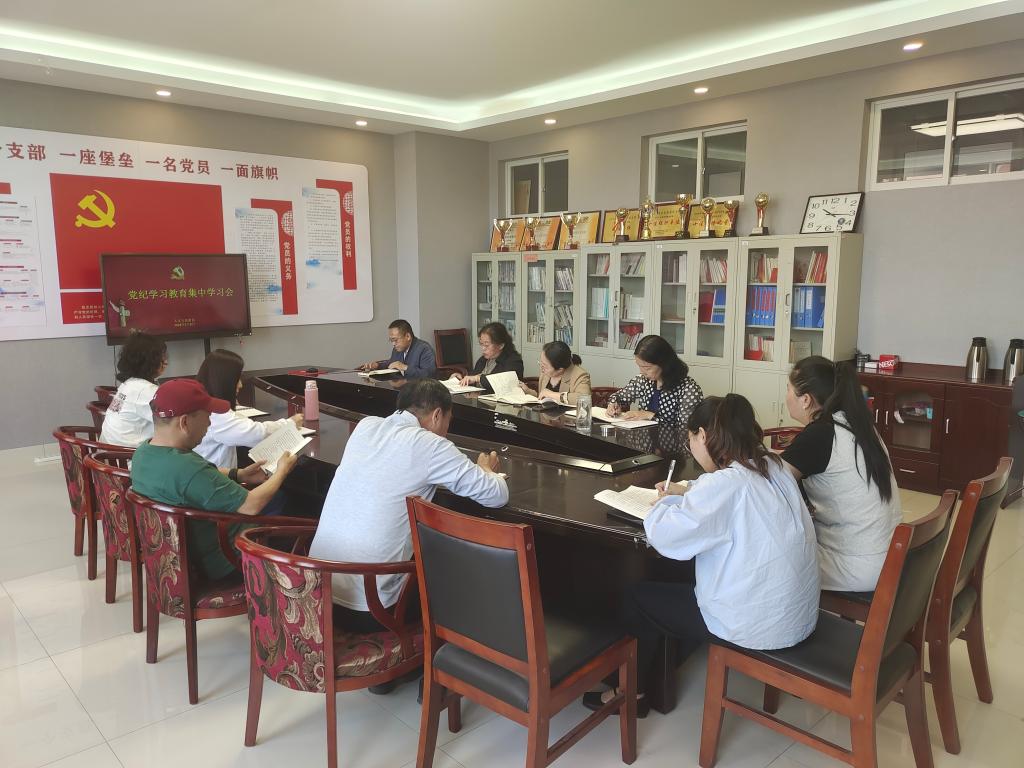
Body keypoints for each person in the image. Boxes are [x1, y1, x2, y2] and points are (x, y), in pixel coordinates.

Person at [584, 394, 819, 716]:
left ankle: (629, 692)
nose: (692, 447)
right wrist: (688, 493)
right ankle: (664, 666)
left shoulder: (725, 484)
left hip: (756, 623)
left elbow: (667, 537)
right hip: (797, 614)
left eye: (691, 439)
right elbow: (727, 501)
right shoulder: (773, 465)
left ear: (704, 436)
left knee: (638, 597)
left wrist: (661, 505)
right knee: (684, 582)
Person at [309, 378, 508, 629]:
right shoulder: (431, 445)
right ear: (437, 415)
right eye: (448, 421)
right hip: (371, 609)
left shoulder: (365, 426)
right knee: (459, 569)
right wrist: (486, 470)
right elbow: (496, 495)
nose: (446, 430)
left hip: (315, 596)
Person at [130, 379, 298, 582]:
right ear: (184, 423)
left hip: (181, 560)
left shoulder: (143, 453)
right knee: (298, 514)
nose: (209, 424)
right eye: (208, 416)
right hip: (227, 560)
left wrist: (239, 474)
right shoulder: (187, 468)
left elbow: (200, 478)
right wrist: (282, 470)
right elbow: (251, 505)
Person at [782, 355, 902, 592]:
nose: (786, 395)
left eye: (788, 389)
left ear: (805, 400)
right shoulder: (856, 425)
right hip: (889, 557)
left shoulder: (820, 435)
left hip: (857, 566)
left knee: (769, 561)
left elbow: (770, 484)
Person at [193, 349, 302, 468]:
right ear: (223, 381)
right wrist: (289, 423)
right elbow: (257, 434)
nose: (240, 385)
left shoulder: (202, 402)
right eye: (236, 379)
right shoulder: (216, 415)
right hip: (216, 478)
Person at [606, 334, 703, 426]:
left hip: (670, 439)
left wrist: (649, 415)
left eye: (647, 368)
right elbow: (618, 396)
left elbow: (686, 428)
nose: (642, 372)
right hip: (643, 437)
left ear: (664, 363)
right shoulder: (643, 380)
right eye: (639, 366)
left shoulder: (689, 389)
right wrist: (613, 404)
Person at [100, 332, 168, 447]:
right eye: (162, 358)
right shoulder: (146, 390)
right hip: (126, 456)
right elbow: (175, 423)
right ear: (150, 362)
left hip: (107, 453)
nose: (166, 362)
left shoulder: (128, 384)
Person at [518, 341, 591, 406]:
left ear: (560, 369)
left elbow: (584, 399)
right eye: (540, 363)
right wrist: (528, 391)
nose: (541, 369)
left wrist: (551, 394)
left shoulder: (580, 375)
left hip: (566, 416)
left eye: (544, 366)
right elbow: (542, 398)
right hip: (545, 416)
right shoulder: (545, 373)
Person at [358, 319, 436, 378]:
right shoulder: (398, 348)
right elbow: (392, 363)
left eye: (395, 340)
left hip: (419, 392)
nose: (393, 344)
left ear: (408, 336)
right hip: (402, 388)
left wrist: (405, 367)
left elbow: (429, 375)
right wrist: (377, 365)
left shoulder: (424, 349)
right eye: (391, 340)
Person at [458, 321, 524, 391]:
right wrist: (461, 377)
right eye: (481, 344)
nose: (483, 348)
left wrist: (478, 378)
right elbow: (472, 376)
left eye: (486, 345)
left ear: (501, 345)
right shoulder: (483, 359)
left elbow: (503, 382)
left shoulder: (513, 361)